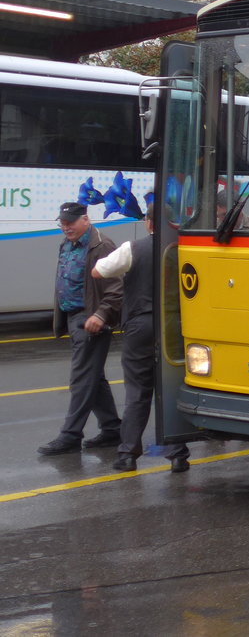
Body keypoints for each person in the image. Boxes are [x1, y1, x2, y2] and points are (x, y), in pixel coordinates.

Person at [92, 202, 190, 473]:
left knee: (137, 391)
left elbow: (98, 270)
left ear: (148, 223)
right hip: (173, 326)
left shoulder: (132, 248)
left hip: (140, 325)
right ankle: (178, 453)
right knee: (170, 388)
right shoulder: (184, 249)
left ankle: (127, 455)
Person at [37, 202, 123, 455]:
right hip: (75, 317)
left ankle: (70, 435)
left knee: (81, 379)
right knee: (93, 377)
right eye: (62, 223)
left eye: (70, 223)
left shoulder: (101, 245)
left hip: (91, 319)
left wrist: (100, 314)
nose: (66, 227)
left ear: (85, 219)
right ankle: (111, 429)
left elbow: (116, 288)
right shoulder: (66, 243)